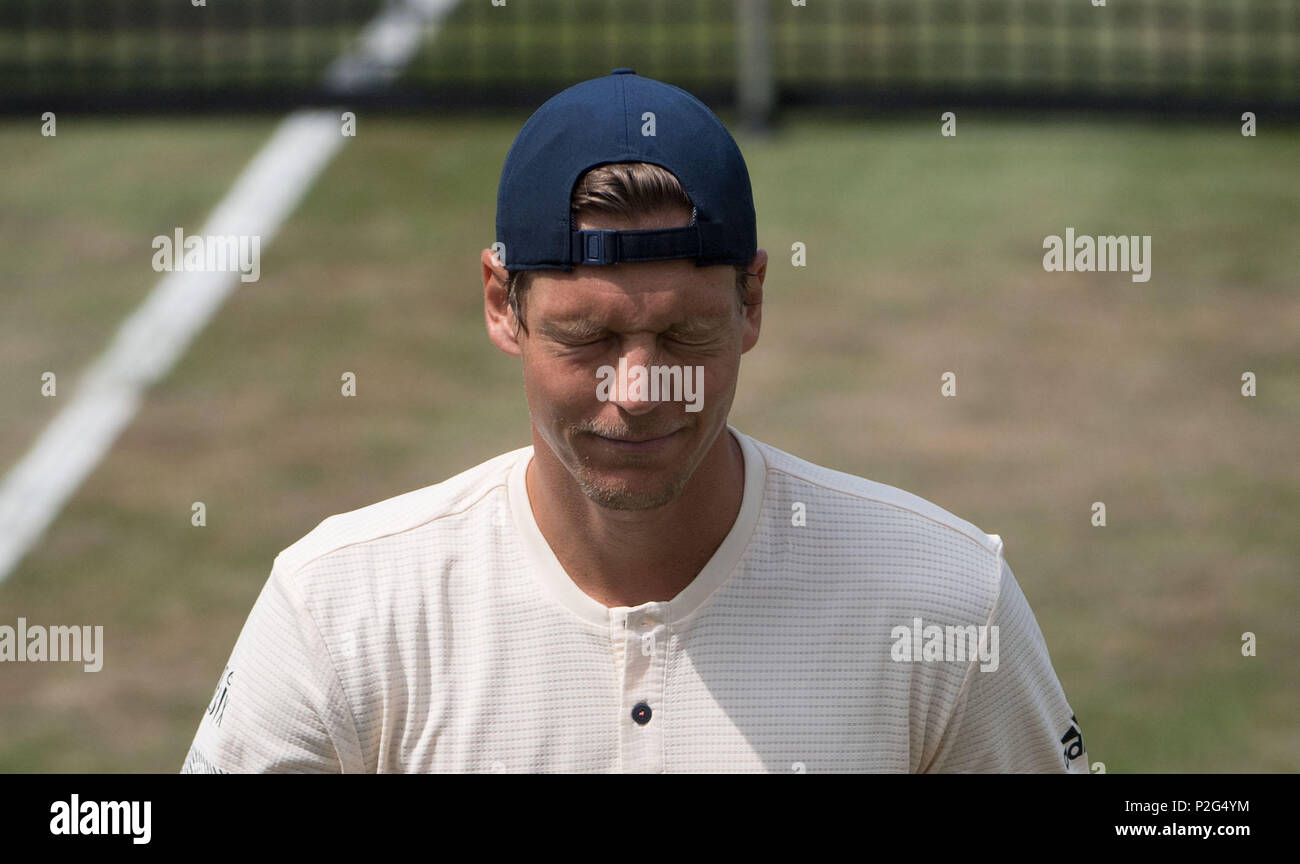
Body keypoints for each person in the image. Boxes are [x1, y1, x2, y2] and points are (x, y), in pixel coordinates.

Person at [182, 69, 1088, 773]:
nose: (644, 390)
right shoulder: (337, 611)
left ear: (753, 302)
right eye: (589, 337)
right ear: (503, 305)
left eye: (685, 333)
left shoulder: (947, 598)